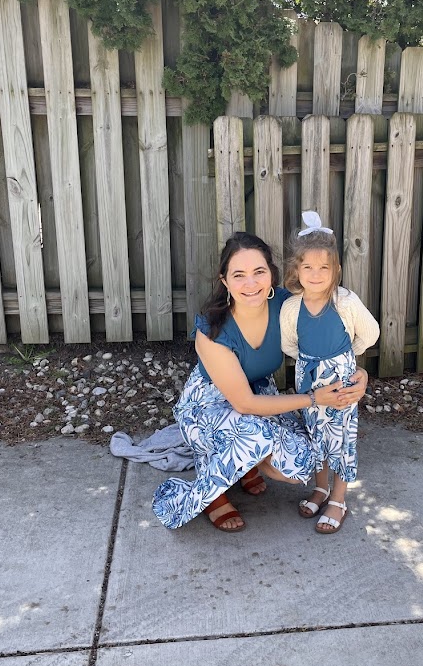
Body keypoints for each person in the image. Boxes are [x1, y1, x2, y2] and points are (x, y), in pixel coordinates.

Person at [152, 232, 368, 532]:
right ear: (224, 280)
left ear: (272, 274)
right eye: (239, 275)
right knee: (254, 437)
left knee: (303, 460)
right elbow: (243, 403)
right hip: (208, 407)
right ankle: (213, 492)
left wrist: (360, 375)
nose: (251, 284)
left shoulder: (287, 306)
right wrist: (316, 398)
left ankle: (245, 465)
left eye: (259, 272)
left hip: (260, 395)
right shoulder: (212, 330)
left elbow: (331, 340)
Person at [280, 212, 380, 534]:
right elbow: (289, 344)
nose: (316, 274)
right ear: (296, 269)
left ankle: (339, 497)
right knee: (315, 436)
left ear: (336, 269)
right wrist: (312, 365)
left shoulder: (345, 302)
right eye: (307, 267)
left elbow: (370, 333)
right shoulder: (292, 307)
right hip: (308, 377)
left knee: (341, 439)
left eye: (324, 267)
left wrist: (347, 360)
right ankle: (320, 487)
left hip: (341, 381)